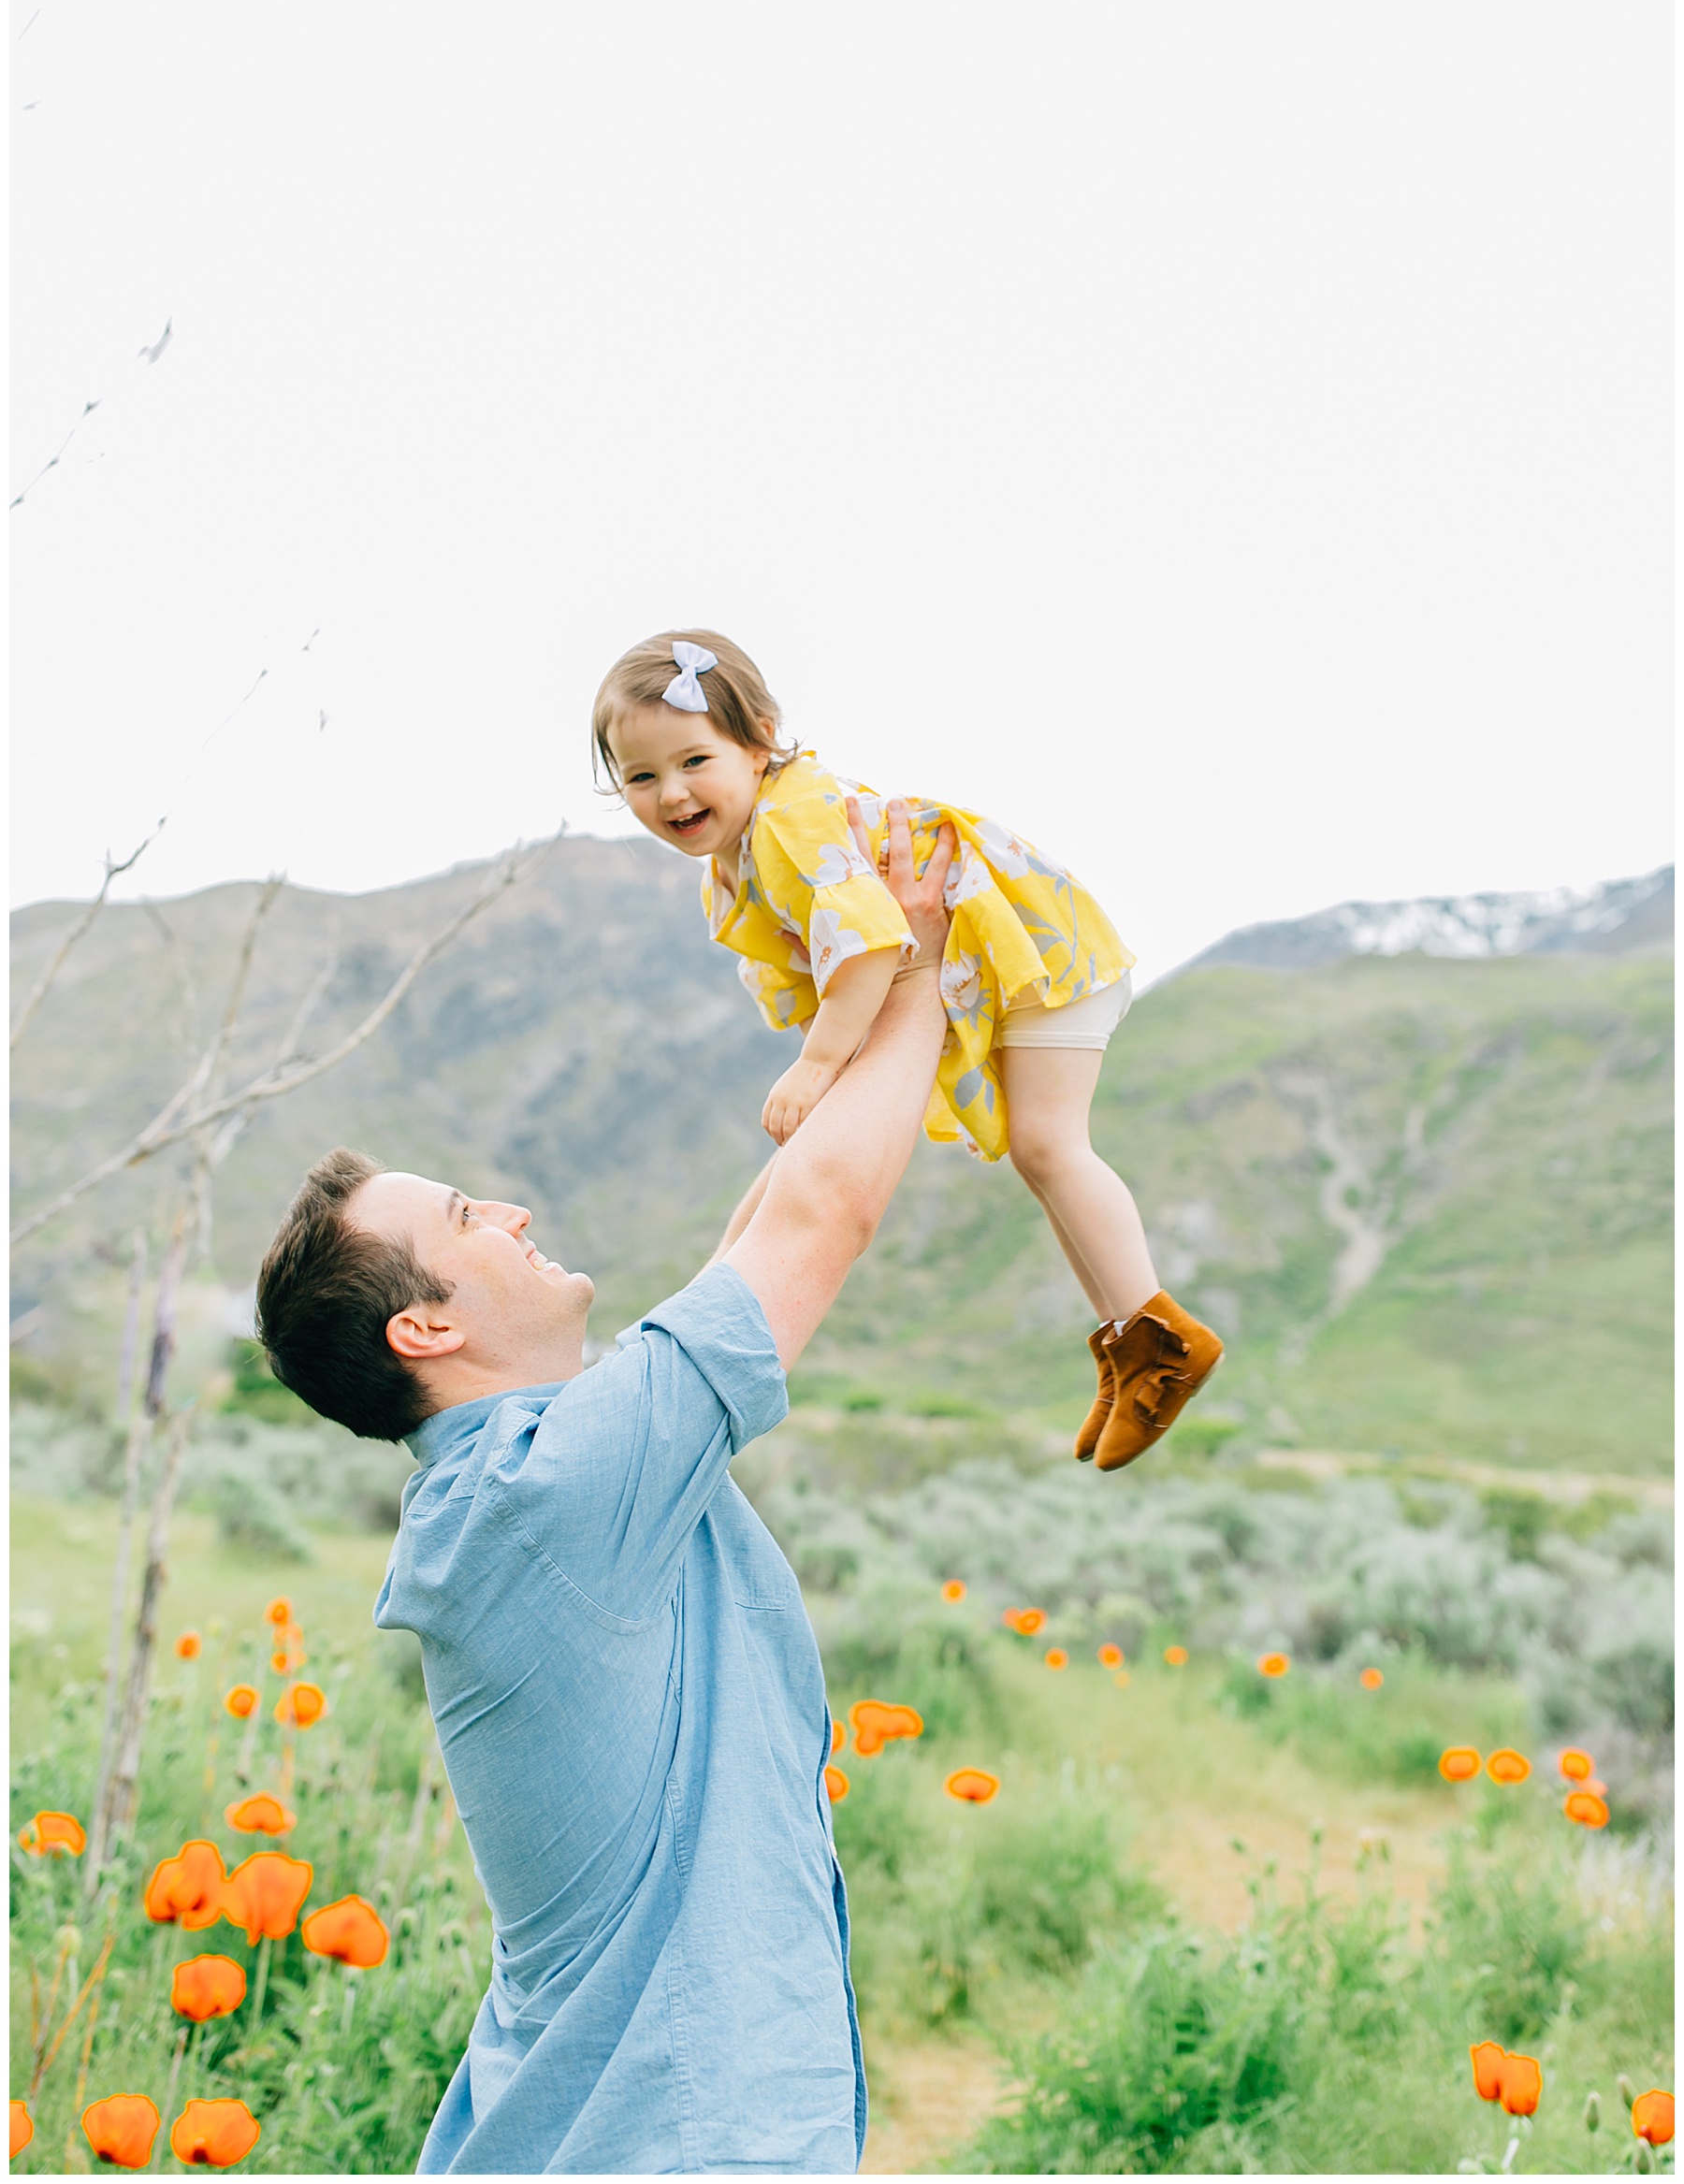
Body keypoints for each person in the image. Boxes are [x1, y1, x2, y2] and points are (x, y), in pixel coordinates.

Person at [254, 800, 958, 2175]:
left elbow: (754, 1237)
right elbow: (822, 1217)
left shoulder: (539, 1479)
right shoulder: (553, 1494)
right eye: (468, 1219)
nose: (511, 1209)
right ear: (428, 1328)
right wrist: (927, 967)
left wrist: (860, 990)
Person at [590, 628, 1223, 1472]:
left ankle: (1164, 1339)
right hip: (994, 960)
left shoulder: (788, 825)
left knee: (1051, 1145)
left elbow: (870, 947)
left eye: (693, 761)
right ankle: (1129, 1340)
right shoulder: (745, 853)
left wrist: (819, 1066)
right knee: (1040, 1156)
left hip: (1031, 952)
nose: (671, 792)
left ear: (760, 741)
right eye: (640, 776)